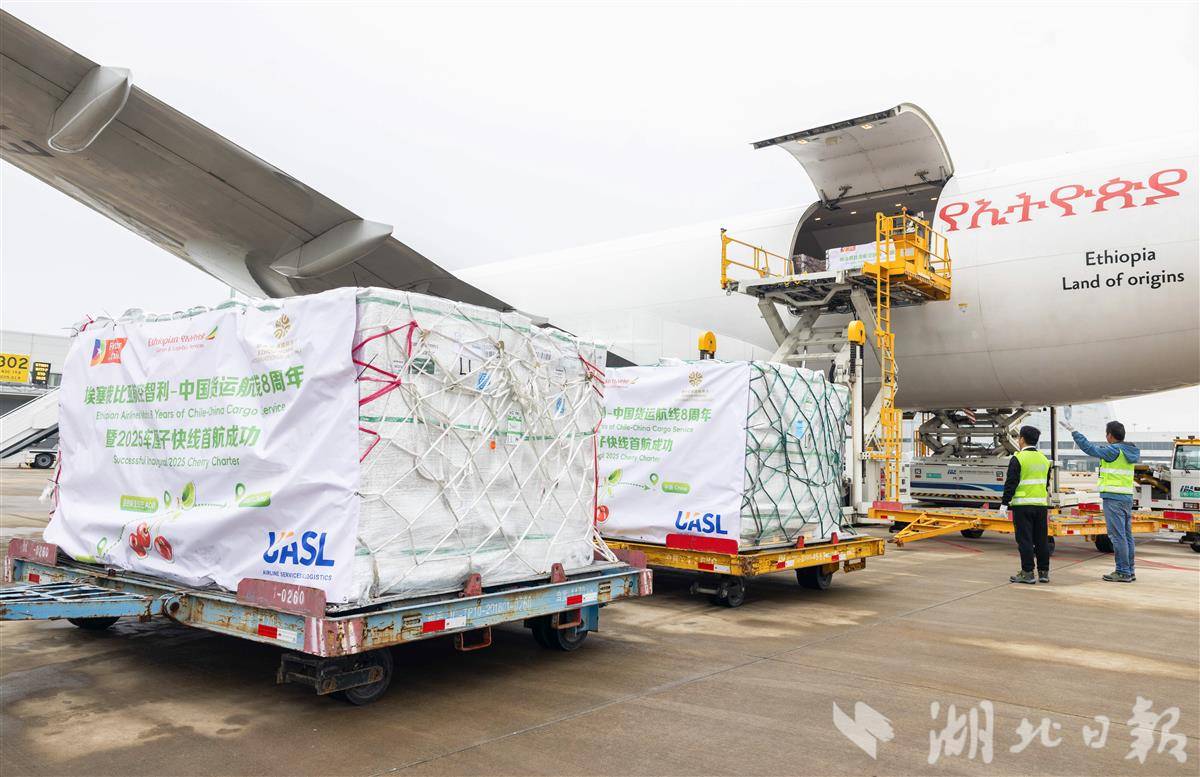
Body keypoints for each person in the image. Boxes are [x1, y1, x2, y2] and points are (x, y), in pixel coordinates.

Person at [1061, 418, 1140, 582]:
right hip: (1126, 497)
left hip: (1113, 497)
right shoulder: (1129, 451)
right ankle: (1129, 570)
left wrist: (1074, 432)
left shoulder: (1113, 451)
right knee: (1126, 536)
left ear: (1110, 435)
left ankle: (1123, 571)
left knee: (1117, 536)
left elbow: (1089, 448)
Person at [999, 425, 1052, 584]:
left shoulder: (1018, 458)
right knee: (1041, 539)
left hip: (1022, 506)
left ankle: (1027, 572)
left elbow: (1011, 483)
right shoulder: (1044, 459)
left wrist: (1004, 503)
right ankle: (1044, 572)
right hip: (1041, 505)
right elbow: (1046, 483)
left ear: (1022, 439)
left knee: (1025, 540)